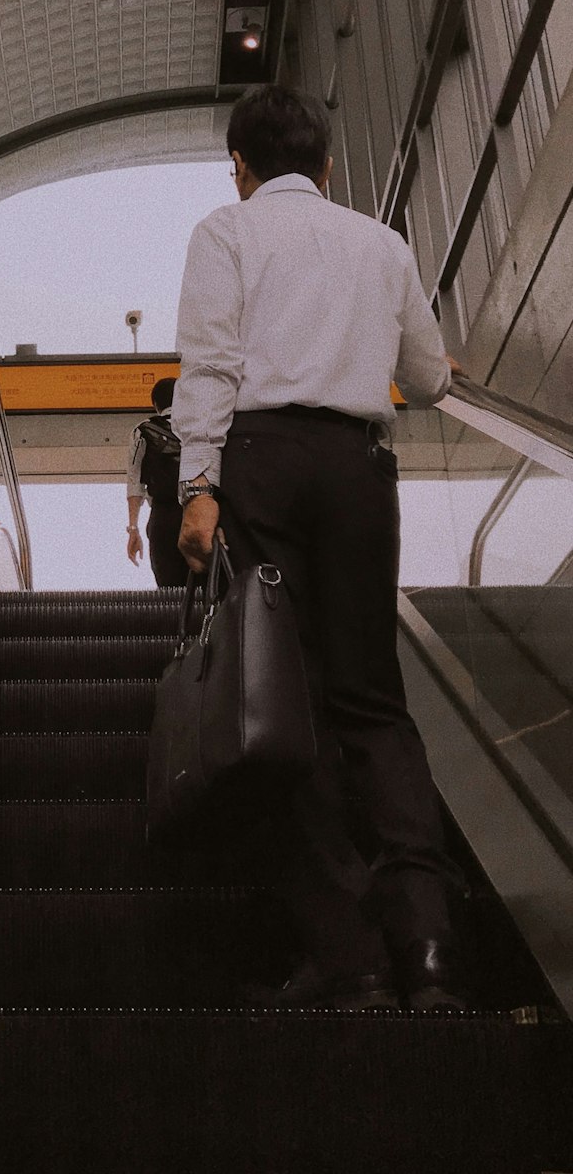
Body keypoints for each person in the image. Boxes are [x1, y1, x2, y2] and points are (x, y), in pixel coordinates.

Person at [172, 83, 467, 1011]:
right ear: (328, 166)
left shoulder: (227, 232)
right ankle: (426, 945)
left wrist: (199, 488)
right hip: (355, 471)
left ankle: (347, 955)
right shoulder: (380, 245)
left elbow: (211, 365)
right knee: (373, 702)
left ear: (242, 167)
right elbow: (428, 378)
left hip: (261, 466)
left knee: (287, 698)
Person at [126, 379, 189, 589]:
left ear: (155, 405)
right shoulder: (199, 426)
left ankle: (173, 620)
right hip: (199, 509)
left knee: (169, 590)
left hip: (163, 517)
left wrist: (133, 528)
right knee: (206, 588)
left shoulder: (143, 430)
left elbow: (135, 482)